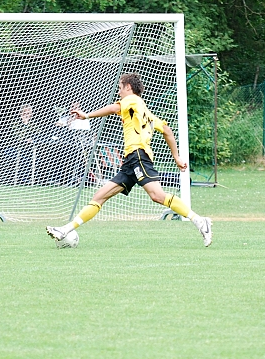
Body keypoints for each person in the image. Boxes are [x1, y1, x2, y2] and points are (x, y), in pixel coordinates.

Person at [46, 73, 213, 247]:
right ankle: (65, 229)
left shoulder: (132, 100)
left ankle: (200, 221)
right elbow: (167, 131)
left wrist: (86, 116)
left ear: (128, 87)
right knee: (99, 196)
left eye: (120, 88)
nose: (119, 92)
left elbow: (113, 109)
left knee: (157, 195)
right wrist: (176, 157)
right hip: (131, 161)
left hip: (138, 156)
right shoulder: (143, 111)